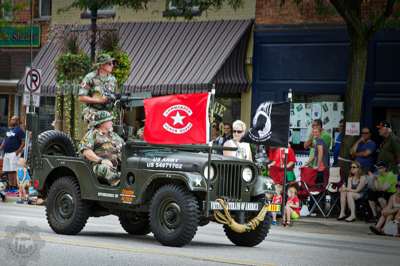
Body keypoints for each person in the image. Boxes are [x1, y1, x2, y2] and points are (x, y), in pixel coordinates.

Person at [79, 111, 125, 186]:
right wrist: (102, 161)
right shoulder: (93, 134)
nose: (112, 122)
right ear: (102, 123)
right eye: (109, 120)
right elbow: (86, 151)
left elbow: (124, 147)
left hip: (116, 166)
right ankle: (118, 185)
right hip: (98, 166)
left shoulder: (114, 135)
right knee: (105, 168)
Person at [79, 53, 117, 128]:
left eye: (112, 63)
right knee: (97, 133)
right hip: (93, 112)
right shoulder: (90, 77)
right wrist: (99, 100)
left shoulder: (113, 79)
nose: (112, 65)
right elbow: (81, 97)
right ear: (102, 65)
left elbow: (115, 95)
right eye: (109, 63)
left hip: (108, 113)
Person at [0, 116, 25, 188]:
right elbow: (5, 140)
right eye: (11, 119)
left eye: (13, 119)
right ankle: (11, 185)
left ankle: (14, 185)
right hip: (6, 153)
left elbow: (23, 142)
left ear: (17, 121)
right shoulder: (9, 130)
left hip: (14, 153)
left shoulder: (19, 130)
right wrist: (1, 147)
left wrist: (18, 151)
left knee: (14, 170)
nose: (12, 120)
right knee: (8, 170)